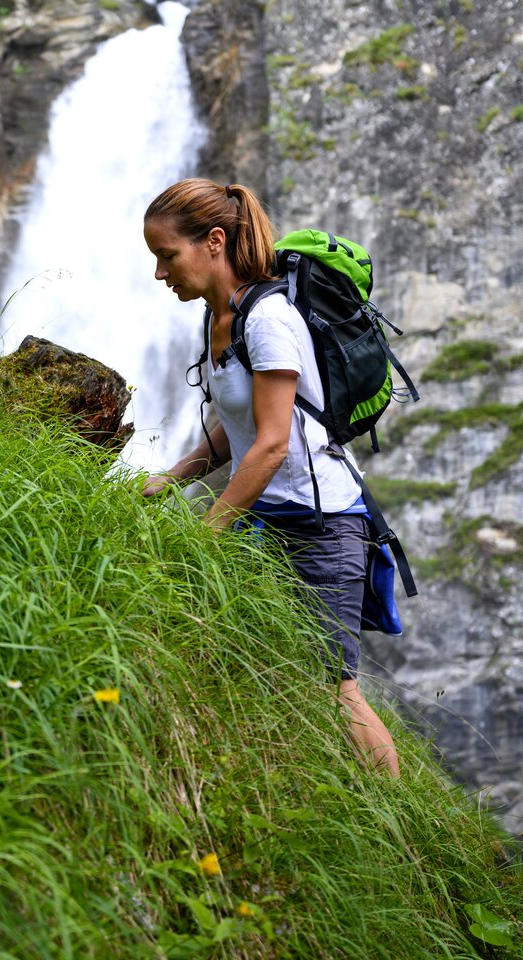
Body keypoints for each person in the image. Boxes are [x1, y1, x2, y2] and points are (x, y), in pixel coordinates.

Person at [142, 177, 400, 776]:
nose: (160, 274)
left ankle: (400, 824)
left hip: (322, 524)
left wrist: (209, 529)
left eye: (166, 256)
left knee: (334, 687)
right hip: (269, 521)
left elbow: (271, 442)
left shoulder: (271, 318)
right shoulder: (217, 319)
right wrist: (173, 477)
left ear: (212, 242)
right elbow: (236, 426)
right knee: (254, 661)